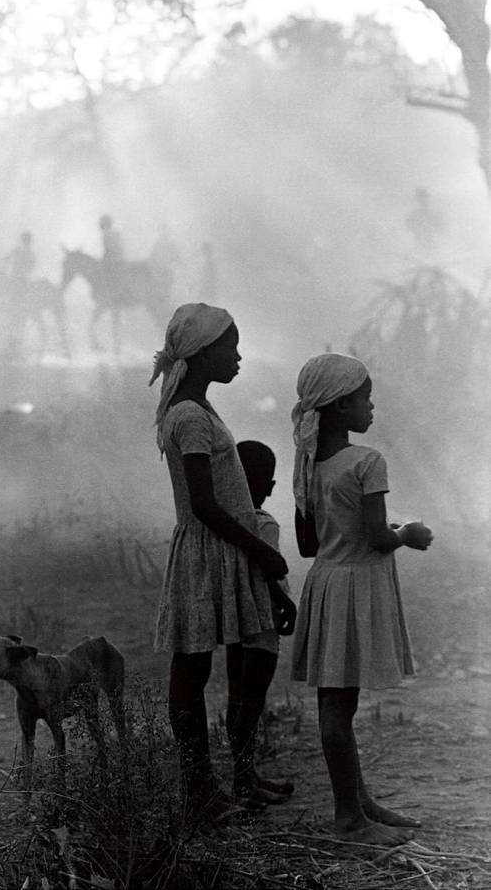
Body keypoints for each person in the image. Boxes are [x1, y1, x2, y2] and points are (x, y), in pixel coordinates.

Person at [149, 303, 296, 825]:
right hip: (210, 548)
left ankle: (209, 788)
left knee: (197, 667)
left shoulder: (197, 410)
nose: (237, 357)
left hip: (220, 549)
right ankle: (199, 791)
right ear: (203, 352)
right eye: (230, 347)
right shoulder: (189, 415)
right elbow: (205, 504)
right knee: (191, 670)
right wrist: (260, 549)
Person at [290, 352, 433, 847]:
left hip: (327, 583)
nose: (371, 407)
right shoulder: (367, 462)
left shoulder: (308, 466)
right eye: (364, 398)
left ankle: (358, 802)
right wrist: (408, 533)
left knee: (336, 704)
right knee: (338, 708)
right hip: (356, 587)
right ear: (338, 407)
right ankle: (349, 818)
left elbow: (308, 544)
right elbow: (376, 537)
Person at [228, 439, 296, 804]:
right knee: (252, 702)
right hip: (262, 623)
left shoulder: (230, 523)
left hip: (236, 623)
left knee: (238, 699)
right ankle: (243, 782)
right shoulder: (264, 524)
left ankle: (245, 776)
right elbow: (268, 574)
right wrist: (286, 604)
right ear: (268, 485)